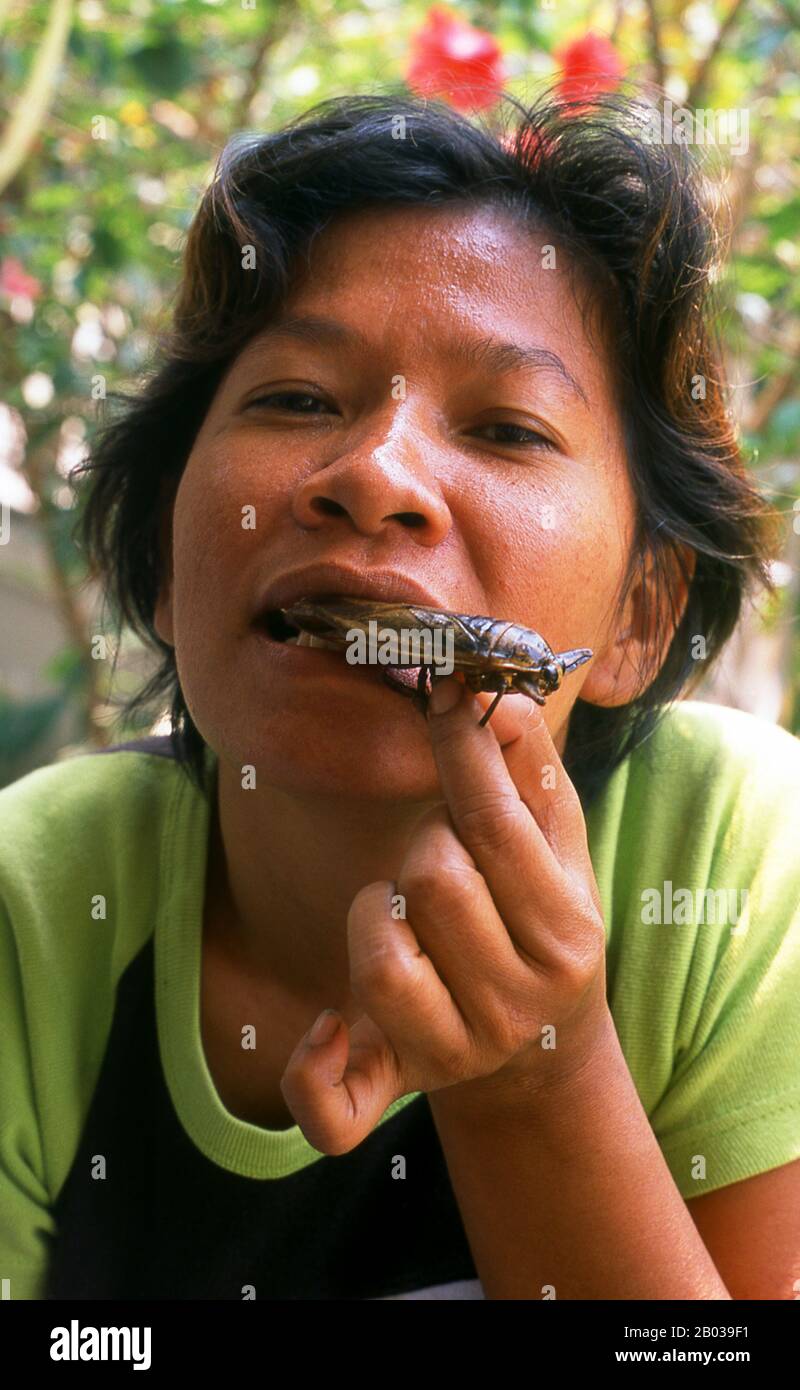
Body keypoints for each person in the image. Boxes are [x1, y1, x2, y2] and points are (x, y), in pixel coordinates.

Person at [2, 87, 799, 1302]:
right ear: (165, 567)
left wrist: (536, 1072)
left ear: (639, 612)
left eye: (505, 428)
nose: (372, 476)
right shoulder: (35, 913)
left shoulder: (737, 864)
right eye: (296, 399)